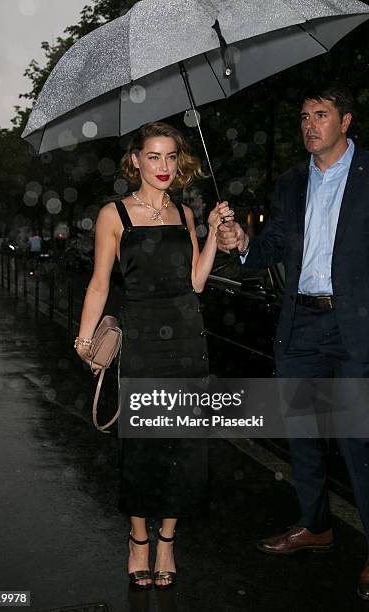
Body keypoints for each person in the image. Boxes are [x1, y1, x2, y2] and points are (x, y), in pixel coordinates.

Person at [217, 83, 369, 601]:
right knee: (303, 433)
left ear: (345, 121)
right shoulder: (289, 183)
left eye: (320, 114)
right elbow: (273, 247)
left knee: (357, 441)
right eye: (304, 116)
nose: (309, 125)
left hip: (355, 328)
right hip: (301, 324)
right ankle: (315, 525)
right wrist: (241, 244)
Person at [75, 121, 224, 590]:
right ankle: (138, 539)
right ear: (135, 161)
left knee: (184, 447)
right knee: (142, 445)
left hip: (186, 341)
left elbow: (197, 282)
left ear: (180, 162)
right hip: (141, 341)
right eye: (153, 157)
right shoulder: (113, 215)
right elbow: (100, 283)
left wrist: (215, 233)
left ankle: (167, 540)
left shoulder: (184, 214)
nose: (163, 166)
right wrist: (84, 340)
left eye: (171, 157)